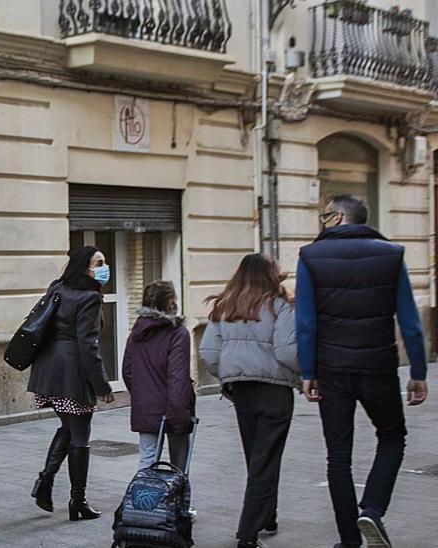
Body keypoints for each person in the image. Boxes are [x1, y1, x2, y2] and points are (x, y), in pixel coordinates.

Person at [296, 195, 428, 548]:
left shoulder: (310, 256)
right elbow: (410, 321)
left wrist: (307, 371)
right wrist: (417, 371)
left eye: (325, 216)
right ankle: (371, 507)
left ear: (339, 217)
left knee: (338, 453)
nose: (322, 222)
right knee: (392, 436)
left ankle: (349, 540)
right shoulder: (391, 255)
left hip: (331, 369)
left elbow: (305, 322)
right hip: (378, 366)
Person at [200, 254, 297, 548]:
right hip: (274, 389)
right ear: (270, 275)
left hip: (241, 390)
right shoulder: (279, 306)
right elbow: (288, 352)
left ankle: (268, 516)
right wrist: (303, 375)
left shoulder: (224, 307)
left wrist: (228, 376)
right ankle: (247, 533)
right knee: (265, 460)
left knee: (257, 456)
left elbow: (208, 352)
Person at [28, 246, 115, 521]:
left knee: (68, 426)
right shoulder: (90, 298)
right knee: (80, 435)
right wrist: (102, 385)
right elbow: (87, 346)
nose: (104, 267)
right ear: (84, 268)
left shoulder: (58, 288)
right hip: (71, 374)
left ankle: (45, 481)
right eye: (98, 263)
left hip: (47, 371)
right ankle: (78, 501)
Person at [122, 281, 193, 472]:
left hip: (146, 407)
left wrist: (143, 395)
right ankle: (177, 502)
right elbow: (178, 379)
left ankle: (142, 501)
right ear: (171, 302)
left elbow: (127, 371)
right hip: (174, 408)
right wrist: (180, 416)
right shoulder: (178, 333)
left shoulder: (136, 332)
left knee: (147, 460)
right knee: (179, 467)